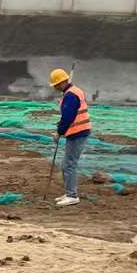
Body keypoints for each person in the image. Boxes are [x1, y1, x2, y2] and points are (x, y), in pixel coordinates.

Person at [50, 68, 91, 207]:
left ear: (60, 83)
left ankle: (72, 195)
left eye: (55, 85)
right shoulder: (72, 92)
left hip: (78, 133)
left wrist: (59, 132)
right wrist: (60, 127)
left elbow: (68, 117)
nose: (54, 88)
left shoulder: (70, 95)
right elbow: (68, 116)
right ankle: (69, 192)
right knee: (67, 164)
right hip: (77, 132)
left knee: (69, 164)